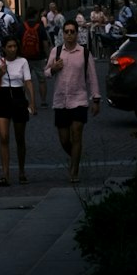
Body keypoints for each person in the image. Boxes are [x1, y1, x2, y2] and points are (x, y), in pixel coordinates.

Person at [46, 18, 101, 182]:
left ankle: (74, 171)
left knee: (77, 133)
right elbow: (46, 73)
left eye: (72, 32)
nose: (69, 35)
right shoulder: (56, 52)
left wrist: (96, 99)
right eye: (66, 32)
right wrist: (53, 69)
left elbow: (92, 77)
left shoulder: (84, 53)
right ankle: (75, 157)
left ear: (77, 34)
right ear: (62, 34)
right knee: (64, 139)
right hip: (60, 100)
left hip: (79, 99)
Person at [0, 32, 36, 186]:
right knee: (4, 137)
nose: (12, 49)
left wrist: (32, 102)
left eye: (15, 46)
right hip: (3, 98)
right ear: (4, 48)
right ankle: (5, 174)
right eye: (9, 46)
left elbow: (28, 81)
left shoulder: (23, 61)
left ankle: (22, 171)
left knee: (19, 138)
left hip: (18, 98)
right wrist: (0, 73)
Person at [19, 7, 50, 105]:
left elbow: (18, 41)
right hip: (39, 57)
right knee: (41, 80)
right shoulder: (39, 26)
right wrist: (48, 56)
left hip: (25, 58)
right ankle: (43, 101)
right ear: (35, 15)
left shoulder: (21, 26)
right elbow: (45, 43)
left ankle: (27, 100)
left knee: (26, 80)